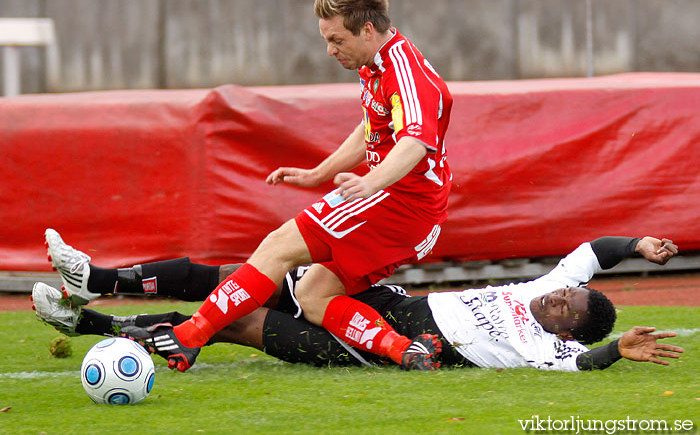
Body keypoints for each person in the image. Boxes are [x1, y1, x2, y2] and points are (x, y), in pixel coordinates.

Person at [50, 0, 454, 371]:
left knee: (276, 247)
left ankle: (191, 335)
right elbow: (372, 128)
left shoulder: (405, 71)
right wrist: (319, 173)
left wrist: (370, 182)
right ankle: (406, 351)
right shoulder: (378, 64)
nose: (329, 50)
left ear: (367, 30)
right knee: (314, 295)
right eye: (326, 39)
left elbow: (415, 142)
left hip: (399, 201)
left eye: (336, 40)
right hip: (413, 211)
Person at [36, 229, 683, 372]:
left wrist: (615, 352)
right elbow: (595, 252)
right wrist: (642, 242)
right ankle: (100, 278)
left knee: (236, 324)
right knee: (241, 276)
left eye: (568, 306)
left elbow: (582, 364)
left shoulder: (544, 349)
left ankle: (91, 318)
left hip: (402, 347)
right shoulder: (549, 287)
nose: (558, 299)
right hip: (399, 302)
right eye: (568, 292)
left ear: (569, 329)